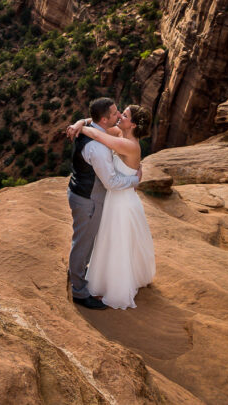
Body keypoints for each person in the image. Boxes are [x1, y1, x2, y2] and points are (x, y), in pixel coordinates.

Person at [69, 105, 156, 309]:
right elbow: (95, 122)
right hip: (115, 197)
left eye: (124, 115)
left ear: (133, 124)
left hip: (122, 202)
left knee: (118, 242)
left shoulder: (130, 145)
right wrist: (80, 122)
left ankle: (115, 286)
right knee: (108, 240)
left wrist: (79, 128)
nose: (119, 116)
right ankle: (92, 275)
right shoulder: (120, 132)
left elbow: (98, 136)